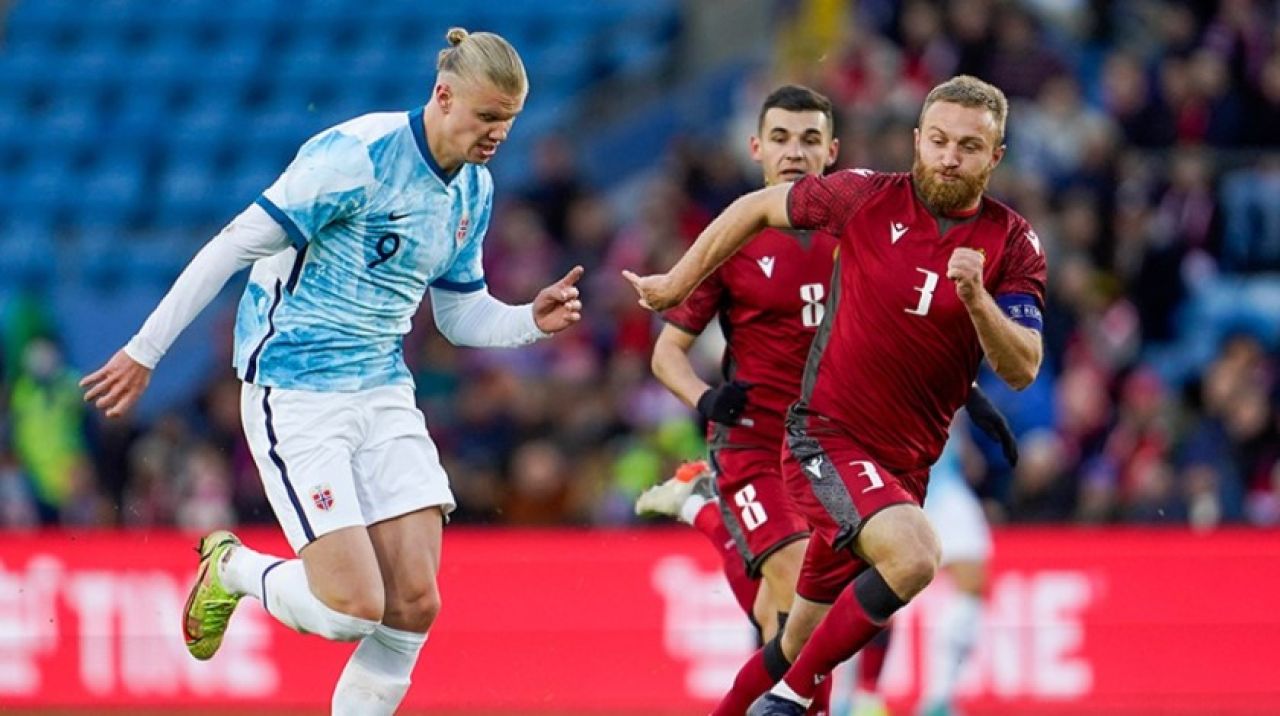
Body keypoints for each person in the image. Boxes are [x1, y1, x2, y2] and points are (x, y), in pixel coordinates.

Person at [80, 29, 584, 715]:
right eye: (488, 115)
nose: (499, 133)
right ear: (443, 95)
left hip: (383, 388)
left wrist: (530, 320)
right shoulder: (356, 158)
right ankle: (232, 568)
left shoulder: (473, 190)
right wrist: (145, 349)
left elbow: (460, 314)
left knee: (415, 603)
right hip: (296, 391)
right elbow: (232, 245)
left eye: (510, 120)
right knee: (351, 608)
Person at [624, 75, 1045, 716]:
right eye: (938, 141)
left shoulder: (993, 242)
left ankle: (762, 684)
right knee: (901, 559)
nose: (949, 157)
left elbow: (940, 338)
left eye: (968, 146)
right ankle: (789, 694)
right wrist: (699, 373)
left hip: (899, 459)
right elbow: (670, 347)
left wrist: (971, 359)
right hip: (789, 438)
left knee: (797, 632)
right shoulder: (845, 208)